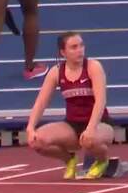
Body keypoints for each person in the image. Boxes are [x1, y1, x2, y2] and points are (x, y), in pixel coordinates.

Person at [26, 32, 113, 181]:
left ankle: (102, 160)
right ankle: (69, 160)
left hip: (99, 123)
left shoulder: (93, 67)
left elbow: (100, 101)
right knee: (37, 141)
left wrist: (91, 128)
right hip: (72, 125)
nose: (80, 50)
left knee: (90, 140)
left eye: (81, 46)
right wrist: (30, 127)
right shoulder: (56, 72)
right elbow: (41, 102)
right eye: (74, 47)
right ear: (63, 52)